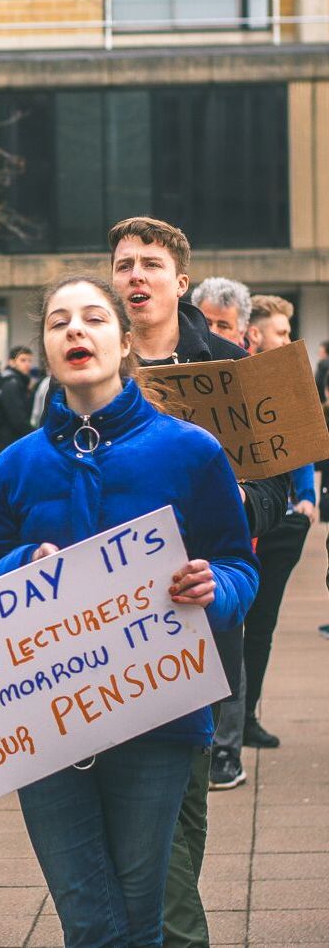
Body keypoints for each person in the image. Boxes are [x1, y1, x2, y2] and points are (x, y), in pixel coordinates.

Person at [0, 275, 257, 948]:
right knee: (88, 921)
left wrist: (217, 583)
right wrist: (21, 570)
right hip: (44, 722)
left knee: (141, 915)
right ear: (43, 345)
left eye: (94, 318)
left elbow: (240, 564)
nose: (76, 330)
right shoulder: (13, 467)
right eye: (59, 320)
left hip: (159, 717)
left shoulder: (190, 450)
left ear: (124, 341)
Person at [108, 216, 287, 948]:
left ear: (181, 281)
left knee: (182, 799)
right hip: (106, 612)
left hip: (200, 604)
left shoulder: (229, 364)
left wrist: (241, 501)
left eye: (150, 264)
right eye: (123, 265)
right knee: (124, 796)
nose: (135, 277)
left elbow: (273, 485)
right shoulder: (90, 355)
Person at [208, 295, 314, 790]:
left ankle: (235, 730)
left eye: (223, 324)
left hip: (265, 522)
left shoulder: (265, 378)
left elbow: (297, 442)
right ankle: (230, 727)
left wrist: (306, 500)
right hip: (227, 529)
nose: (212, 331)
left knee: (252, 627)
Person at [0, 344, 36, 452]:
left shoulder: (15, 380)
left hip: (6, 439)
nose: (27, 364)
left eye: (29, 361)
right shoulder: (12, 383)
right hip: (8, 441)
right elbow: (18, 419)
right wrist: (34, 435)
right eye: (23, 360)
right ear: (11, 362)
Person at [191, 276, 252, 349]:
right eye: (206, 323)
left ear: (242, 331)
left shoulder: (258, 360)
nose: (213, 332)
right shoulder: (178, 356)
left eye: (223, 326)